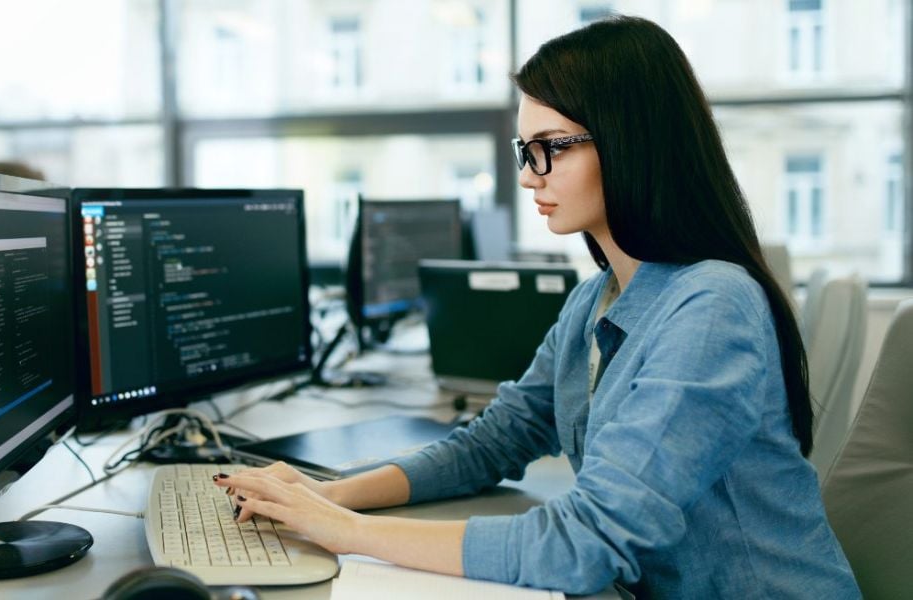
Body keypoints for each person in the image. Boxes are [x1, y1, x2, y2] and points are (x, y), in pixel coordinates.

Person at [212, 15, 860, 598]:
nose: (529, 175)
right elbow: (495, 442)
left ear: (630, 141)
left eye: (549, 147)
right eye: (527, 152)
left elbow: (584, 542)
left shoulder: (712, 307)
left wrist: (344, 531)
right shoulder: (596, 300)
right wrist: (330, 493)